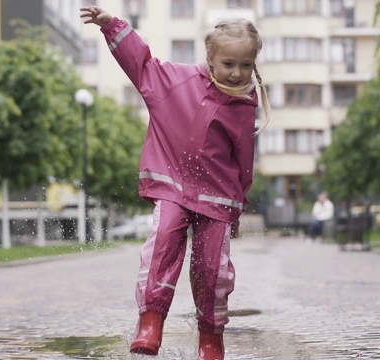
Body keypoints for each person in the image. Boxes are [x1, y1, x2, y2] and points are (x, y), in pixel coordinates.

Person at [80, 6, 270, 359]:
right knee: (164, 239)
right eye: (228, 63)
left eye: (246, 65)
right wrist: (113, 27)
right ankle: (151, 321)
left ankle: (211, 338)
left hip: (217, 196)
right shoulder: (176, 80)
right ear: (211, 57)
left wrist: (237, 203)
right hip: (174, 186)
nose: (236, 72)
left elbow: (245, 159)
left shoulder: (244, 105)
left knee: (211, 268)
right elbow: (142, 64)